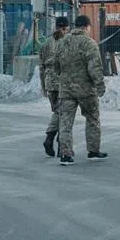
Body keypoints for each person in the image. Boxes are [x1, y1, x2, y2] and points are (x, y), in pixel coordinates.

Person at [54, 14, 107, 166]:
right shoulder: (89, 43)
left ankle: (65, 154)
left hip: (66, 90)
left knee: (65, 122)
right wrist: (100, 85)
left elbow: (56, 66)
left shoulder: (62, 42)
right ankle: (93, 151)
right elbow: (94, 68)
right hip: (86, 91)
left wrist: (65, 77)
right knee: (92, 119)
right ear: (86, 27)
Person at [40, 16, 70, 157]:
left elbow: (41, 65)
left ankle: (52, 140)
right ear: (66, 27)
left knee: (57, 112)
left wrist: (43, 85)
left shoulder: (46, 43)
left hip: (49, 82)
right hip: (62, 82)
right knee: (62, 114)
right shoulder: (67, 42)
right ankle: (53, 139)